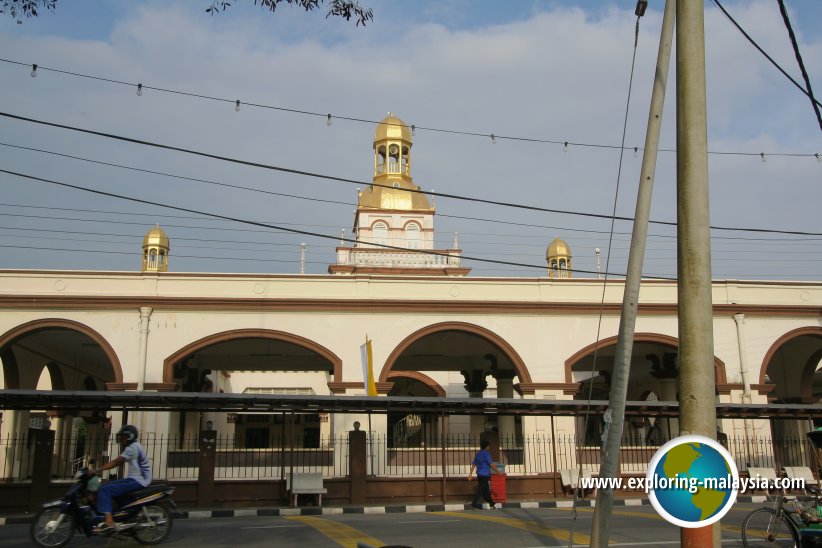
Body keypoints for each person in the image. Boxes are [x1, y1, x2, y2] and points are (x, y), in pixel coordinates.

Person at [94, 424, 152, 533]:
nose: (121, 439)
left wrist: (97, 470)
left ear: (130, 436)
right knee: (105, 486)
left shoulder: (132, 448)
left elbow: (116, 462)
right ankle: (119, 514)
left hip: (139, 481)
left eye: (123, 436)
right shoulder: (135, 446)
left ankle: (109, 521)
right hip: (134, 479)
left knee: (104, 490)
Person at [467, 438, 499, 510]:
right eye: (488, 446)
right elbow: (490, 464)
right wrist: (498, 471)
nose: (489, 447)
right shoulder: (487, 454)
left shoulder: (478, 454)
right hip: (485, 474)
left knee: (486, 490)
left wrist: (470, 474)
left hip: (479, 474)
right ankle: (474, 504)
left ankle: (491, 504)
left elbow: (473, 465)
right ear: (486, 446)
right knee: (481, 489)